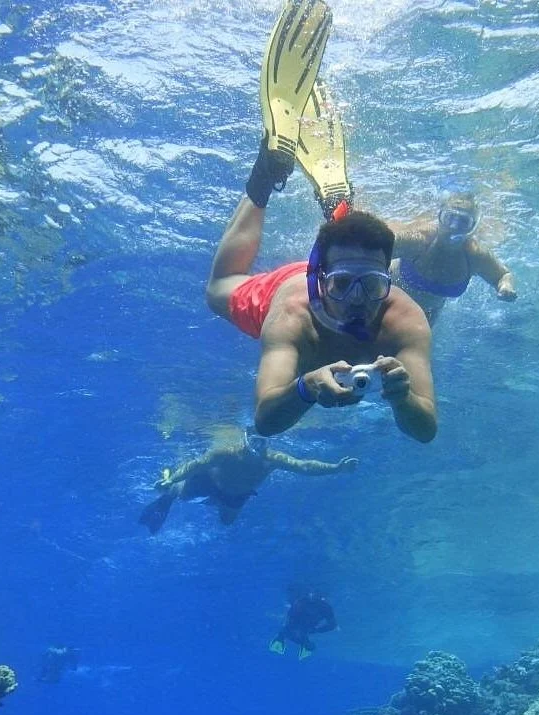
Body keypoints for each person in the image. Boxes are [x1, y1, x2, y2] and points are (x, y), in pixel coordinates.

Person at [205, 0, 437, 444]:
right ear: (320, 278)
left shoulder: (405, 320)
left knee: (227, 287)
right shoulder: (291, 316)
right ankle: (263, 181)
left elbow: (425, 428)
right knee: (219, 290)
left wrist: (404, 396)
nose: (356, 300)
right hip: (281, 288)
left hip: (326, 266)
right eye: (341, 285)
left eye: (370, 286)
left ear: (388, 281)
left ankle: (339, 210)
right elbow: (265, 421)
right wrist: (304, 388)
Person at [139, 429, 356, 534]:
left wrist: (336, 468)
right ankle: (167, 496)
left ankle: (213, 500)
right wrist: (172, 481)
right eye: (254, 441)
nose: (258, 446)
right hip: (210, 481)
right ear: (244, 439)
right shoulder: (225, 452)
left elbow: (304, 466)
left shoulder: (272, 459)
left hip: (236, 494)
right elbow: (197, 465)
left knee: (226, 522)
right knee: (182, 494)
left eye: (263, 442)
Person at [390, 191, 517, 325]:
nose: (454, 227)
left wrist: (505, 286)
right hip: (386, 297)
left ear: (473, 227)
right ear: (439, 218)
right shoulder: (419, 241)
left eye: (463, 222)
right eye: (449, 218)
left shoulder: (475, 256)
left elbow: (502, 275)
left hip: (428, 313)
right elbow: (377, 247)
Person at [271, 587, 337, 659]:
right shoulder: (324, 607)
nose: (312, 595)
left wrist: (317, 630)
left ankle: (290, 639)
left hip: (301, 626)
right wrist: (316, 630)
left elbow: (332, 625)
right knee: (294, 632)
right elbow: (332, 625)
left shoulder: (324, 607)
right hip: (300, 625)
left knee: (294, 632)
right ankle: (295, 640)